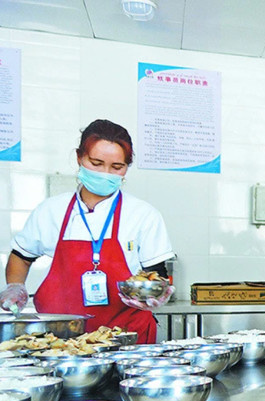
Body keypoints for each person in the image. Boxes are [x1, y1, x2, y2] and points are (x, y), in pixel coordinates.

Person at [0, 119, 175, 343]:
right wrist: (15, 287)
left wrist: (156, 294)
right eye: (96, 163)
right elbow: (21, 257)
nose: (105, 173)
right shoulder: (51, 210)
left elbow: (156, 273)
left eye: (117, 167)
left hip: (126, 338)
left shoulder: (143, 214)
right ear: (79, 158)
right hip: (59, 338)